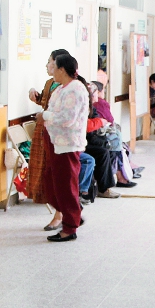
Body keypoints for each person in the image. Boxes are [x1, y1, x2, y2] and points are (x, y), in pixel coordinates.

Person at [36, 53, 90, 242]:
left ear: (61, 69)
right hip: (55, 142)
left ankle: (69, 227)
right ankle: (73, 214)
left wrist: (46, 117)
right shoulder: (60, 88)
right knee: (52, 185)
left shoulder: (75, 89)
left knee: (66, 186)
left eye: (53, 66)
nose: (51, 70)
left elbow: (68, 118)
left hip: (67, 144)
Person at [27, 50, 70, 227]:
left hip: (57, 134)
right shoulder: (50, 83)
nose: (47, 65)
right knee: (45, 174)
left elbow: (62, 112)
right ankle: (62, 212)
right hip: (42, 132)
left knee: (55, 174)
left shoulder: (69, 86)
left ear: (59, 66)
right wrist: (35, 94)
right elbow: (46, 103)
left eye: (50, 62)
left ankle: (61, 214)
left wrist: (47, 116)